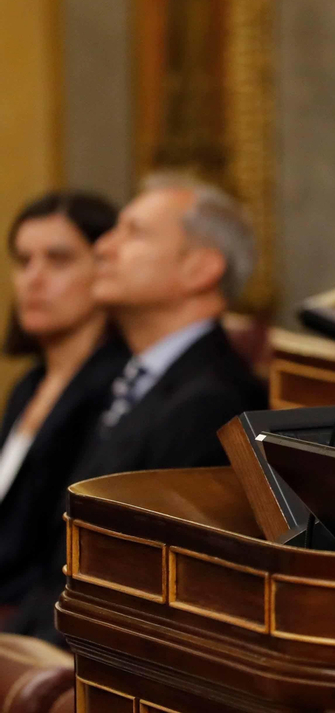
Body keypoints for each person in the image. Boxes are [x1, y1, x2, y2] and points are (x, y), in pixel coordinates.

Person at [6, 173, 268, 643]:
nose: (105, 248)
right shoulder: (133, 380)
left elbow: (138, 582)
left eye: (134, 233)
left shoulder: (215, 401)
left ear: (200, 269)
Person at [0, 192, 127, 609]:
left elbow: (51, 550)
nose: (33, 279)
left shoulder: (116, 386)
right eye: (24, 261)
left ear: (105, 267)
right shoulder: (31, 382)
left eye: (58, 260)